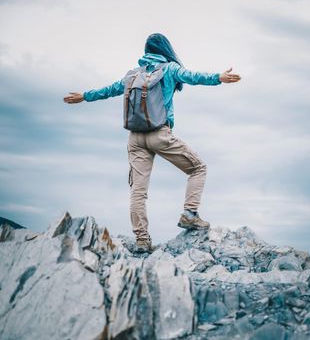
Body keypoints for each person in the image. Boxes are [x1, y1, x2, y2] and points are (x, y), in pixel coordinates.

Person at [64, 33, 241, 253]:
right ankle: (189, 214)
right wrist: (219, 77)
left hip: (135, 138)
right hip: (160, 134)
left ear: (146, 51)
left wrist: (84, 96)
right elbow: (193, 76)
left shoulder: (132, 75)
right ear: (166, 49)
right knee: (198, 168)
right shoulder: (169, 68)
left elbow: (108, 90)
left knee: (138, 191)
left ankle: (142, 241)